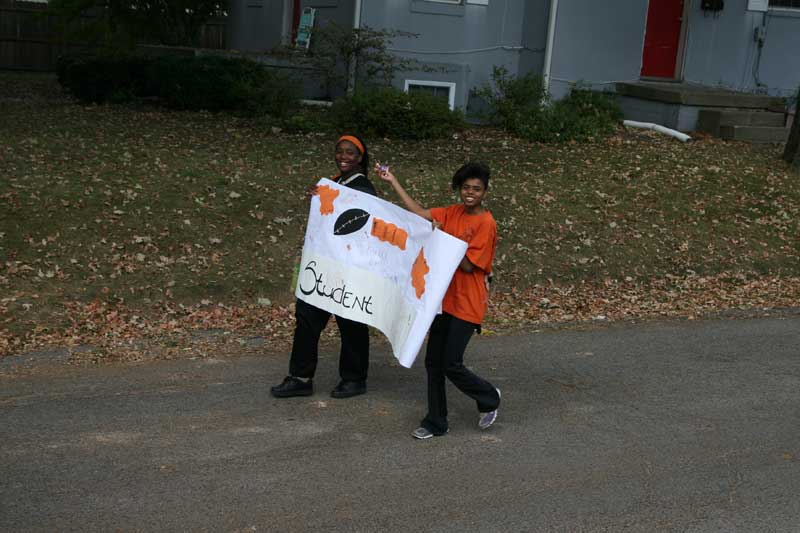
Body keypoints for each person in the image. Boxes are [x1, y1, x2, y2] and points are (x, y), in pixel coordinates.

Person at [376, 160, 501, 438]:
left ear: (485, 192)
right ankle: (436, 421)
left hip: (467, 303)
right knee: (433, 362)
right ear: (460, 189)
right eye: (466, 188)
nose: (470, 193)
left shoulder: (486, 223)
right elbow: (419, 213)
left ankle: (489, 396)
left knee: (451, 363)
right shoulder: (452, 212)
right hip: (442, 301)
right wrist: (392, 180)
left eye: (477, 189)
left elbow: (469, 265)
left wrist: (442, 237)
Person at [271, 134, 377, 399]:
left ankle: (354, 379)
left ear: (360, 158)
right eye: (340, 151)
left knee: (351, 323)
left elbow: (361, 223)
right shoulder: (335, 182)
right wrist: (317, 199)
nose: (343, 156)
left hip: (349, 268)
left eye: (350, 153)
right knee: (307, 319)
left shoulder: (363, 187)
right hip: (323, 265)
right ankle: (300, 377)